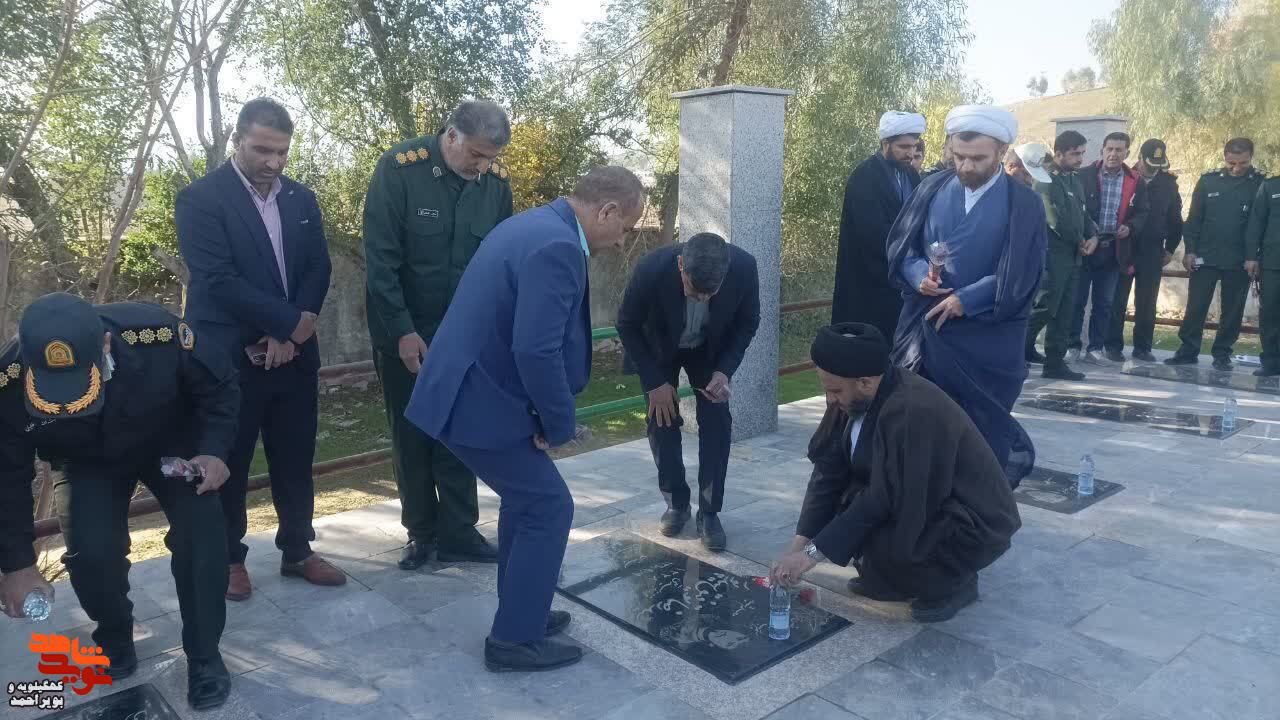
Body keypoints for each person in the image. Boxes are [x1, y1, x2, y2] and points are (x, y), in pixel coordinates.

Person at [405, 167, 644, 672]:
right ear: (607, 211)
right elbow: (536, 349)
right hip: (476, 400)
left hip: (472, 392)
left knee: (527, 501)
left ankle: (523, 609)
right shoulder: (559, 247)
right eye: (624, 228)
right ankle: (513, 640)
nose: (622, 241)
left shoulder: (534, 224)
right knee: (549, 506)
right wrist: (559, 425)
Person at [0, 293, 237, 709]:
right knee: (91, 553)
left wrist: (214, 452)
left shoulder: (157, 335)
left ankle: (204, 656)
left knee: (202, 534)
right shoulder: (9, 378)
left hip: (169, 444)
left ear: (105, 345)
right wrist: (17, 564)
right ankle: (113, 636)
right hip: (84, 460)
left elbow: (220, 388)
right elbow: (6, 474)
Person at [177, 98, 342, 600]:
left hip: (293, 356)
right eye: (262, 150)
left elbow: (318, 267)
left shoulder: (301, 199)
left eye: (282, 152)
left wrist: (293, 333)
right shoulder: (201, 199)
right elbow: (217, 280)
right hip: (230, 358)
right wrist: (288, 324)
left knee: (295, 456)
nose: (273, 162)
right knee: (231, 459)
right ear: (237, 141)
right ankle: (230, 557)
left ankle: (298, 550)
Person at [769, 323, 1020, 623]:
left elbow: (885, 497)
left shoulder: (912, 409)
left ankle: (954, 584)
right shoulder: (851, 399)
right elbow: (828, 474)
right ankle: (892, 576)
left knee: (900, 533)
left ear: (865, 383)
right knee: (851, 507)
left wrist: (810, 557)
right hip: (912, 492)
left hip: (972, 519)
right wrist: (797, 548)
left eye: (835, 390)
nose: (830, 399)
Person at [363, 100, 514, 570]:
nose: (482, 167)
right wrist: (402, 331)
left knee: (459, 433)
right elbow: (381, 262)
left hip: (465, 337)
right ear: (451, 136)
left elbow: (498, 264)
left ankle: (459, 531)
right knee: (412, 436)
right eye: (476, 155)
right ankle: (421, 533)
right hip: (406, 334)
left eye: (490, 158)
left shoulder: (496, 185)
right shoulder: (399, 170)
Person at [887, 105, 1047, 488]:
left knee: (979, 438)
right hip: (925, 332)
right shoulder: (930, 188)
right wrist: (918, 277)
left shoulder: (1024, 204)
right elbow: (902, 248)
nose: (966, 166)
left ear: (1002, 152)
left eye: (978, 159)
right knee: (919, 430)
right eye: (959, 156)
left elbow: (1024, 271)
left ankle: (975, 508)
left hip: (987, 339)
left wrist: (967, 299)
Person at [615, 232, 761, 551]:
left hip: (709, 353)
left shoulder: (744, 267)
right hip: (659, 351)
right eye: (694, 291)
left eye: (710, 293)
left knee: (717, 422)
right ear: (681, 265)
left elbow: (748, 321)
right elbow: (626, 324)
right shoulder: (651, 268)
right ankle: (676, 503)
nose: (701, 300)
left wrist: (724, 370)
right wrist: (655, 382)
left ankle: (709, 512)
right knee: (662, 421)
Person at [1166, 138, 1267, 371]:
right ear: (1224, 157)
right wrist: (1190, 251)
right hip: (1206, 256)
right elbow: (1194, 220)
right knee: (1196, 306)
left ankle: (1222, 353)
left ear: (1251, 158)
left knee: (1232, 310)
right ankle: (1188, 350)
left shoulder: (1260, 183)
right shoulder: (1208, 181)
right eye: (1232, 163)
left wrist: (1254, 257)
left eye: (1243, 163)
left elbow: (1260, 224)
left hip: (1240, 259)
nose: (1237, 168)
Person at [831, 111, 926, 340]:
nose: (910, 153)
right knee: (867, 350)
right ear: (886, 143)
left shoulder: (912, 176)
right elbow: (873, 235)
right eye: (904, 147)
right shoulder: (864, 177)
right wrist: (910, 263)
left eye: (913, 147)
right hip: (869, 284)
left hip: (902, 285)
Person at [1068, 132, 1149, 364]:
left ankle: (1095, 348)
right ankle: (1072, 345)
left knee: (1104, 304)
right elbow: (1074, 208)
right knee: (1076, 301)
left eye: (1119, 150)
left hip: (1113, 251)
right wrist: (1087, 232)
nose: (1113, 154)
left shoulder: (1135, 180)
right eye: (1109, 149)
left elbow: (1143, 212)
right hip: (1085, 248)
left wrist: (1130, 227)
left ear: (1127, 153)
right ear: (1102, 150)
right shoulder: (1083, 175)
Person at [1025, 131, 1096, 381]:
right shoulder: (1046, 181)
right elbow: (1055, 219)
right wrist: (1080, 240)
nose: (1080, 159)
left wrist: (1093, 236)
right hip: (1053, 256)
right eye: (1075, 154)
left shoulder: (1074, 179)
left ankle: (1054, 362)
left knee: (1065, 310)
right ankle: (1016, 348)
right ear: (1058, 154)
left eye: (1082, 153)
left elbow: (1083, 213)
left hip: (1073, 255)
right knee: (1045, 307)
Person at [1105, 139, 1183, 363]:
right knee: (1117, 300)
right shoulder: (1126, 177)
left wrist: (1170, 248)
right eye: (1150, 164)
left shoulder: (1168, 183)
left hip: (1152, 250)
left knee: (1147, 302)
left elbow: (1175, 219)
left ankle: (1142, 347)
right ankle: (1112, 346)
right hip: (1125, 248)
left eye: (1159, 165)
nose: (1154, 169)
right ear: (1140, 158)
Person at [1246, 169, 1280, 375]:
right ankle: (1271, 361)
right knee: (1270, 313)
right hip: (1273, 262)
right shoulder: (1270, 186)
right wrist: (1252, 256)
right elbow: (1256, 222)